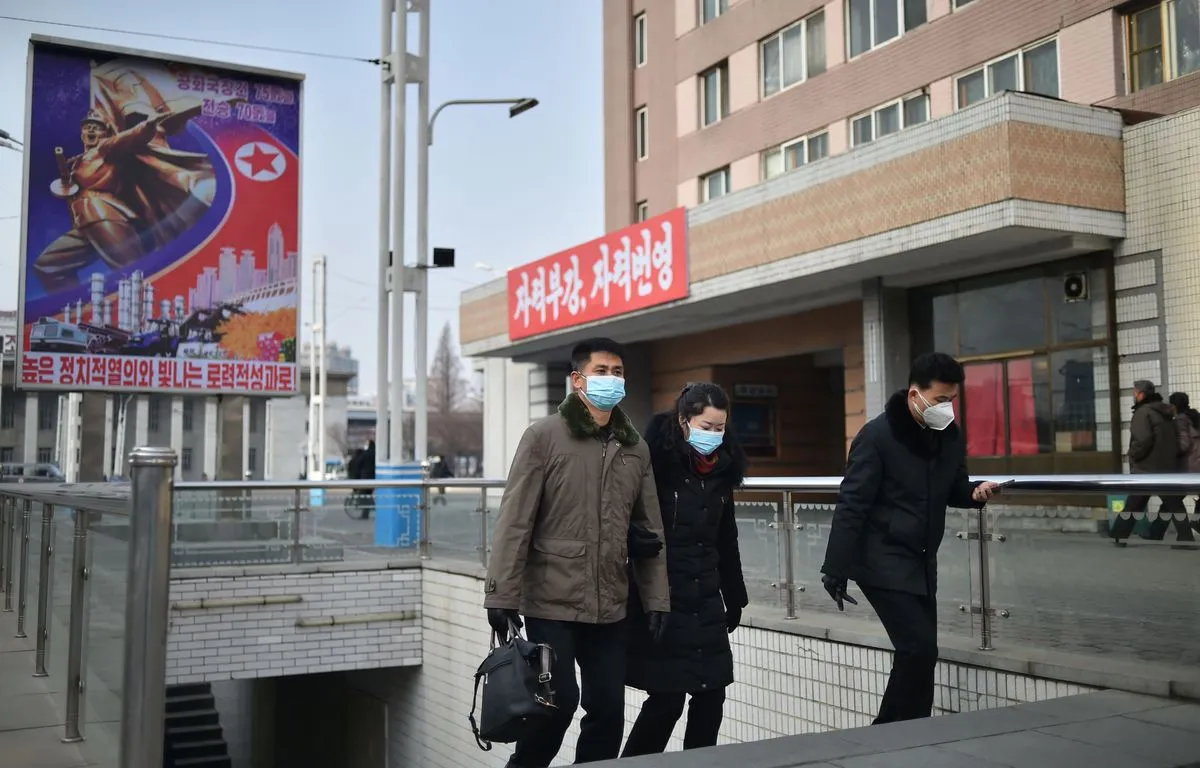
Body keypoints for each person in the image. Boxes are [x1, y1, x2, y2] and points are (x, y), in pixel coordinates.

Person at [483, 337, 671, 768]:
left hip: (611, 603)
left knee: (607, 711)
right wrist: (500, 594)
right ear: (577, 380)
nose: (611, 380)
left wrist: (658, 597)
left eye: (618, 372)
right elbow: (515, 520)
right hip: (552, 600)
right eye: (601, 371)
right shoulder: (544, 437)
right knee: (557, 704)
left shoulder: (635, 447)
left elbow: (650, 530)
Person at [820, 353, 1000, 724]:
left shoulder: (948, 436)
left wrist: (974, 493)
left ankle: (907, 731)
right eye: (939, 400)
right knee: (917, 648)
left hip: (920, 561)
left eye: (951, 400)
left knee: (919, 653)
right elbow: (852, 503)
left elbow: (954, 487)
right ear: (915, 394)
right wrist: (835, 568)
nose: (946, 408)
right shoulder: (877, 436)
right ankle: (889, 733)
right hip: (880, 559)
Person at [621, 382, 748, 757]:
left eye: (720, 428)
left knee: (712, 697)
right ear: (683, 421)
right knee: (667, 700)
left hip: (706, 597)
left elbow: (727, 537)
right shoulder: (655, 466)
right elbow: (623, 515)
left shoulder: (723, 471)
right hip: (665, 597)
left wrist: (734, 594)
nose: (714, 435)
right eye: (706, 426)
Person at [1112, 381, 1193, 544]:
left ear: (1141, 394)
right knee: (1172, 502)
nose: (1133, 395)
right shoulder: (1165, 412)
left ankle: (1118, 535)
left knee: (1134, 503)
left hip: (1146, 467)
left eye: (1135, 392)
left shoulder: (1143, 413)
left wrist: (1132, 454)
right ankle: (1185, 537)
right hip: (1165, 466)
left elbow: (1143, 440)